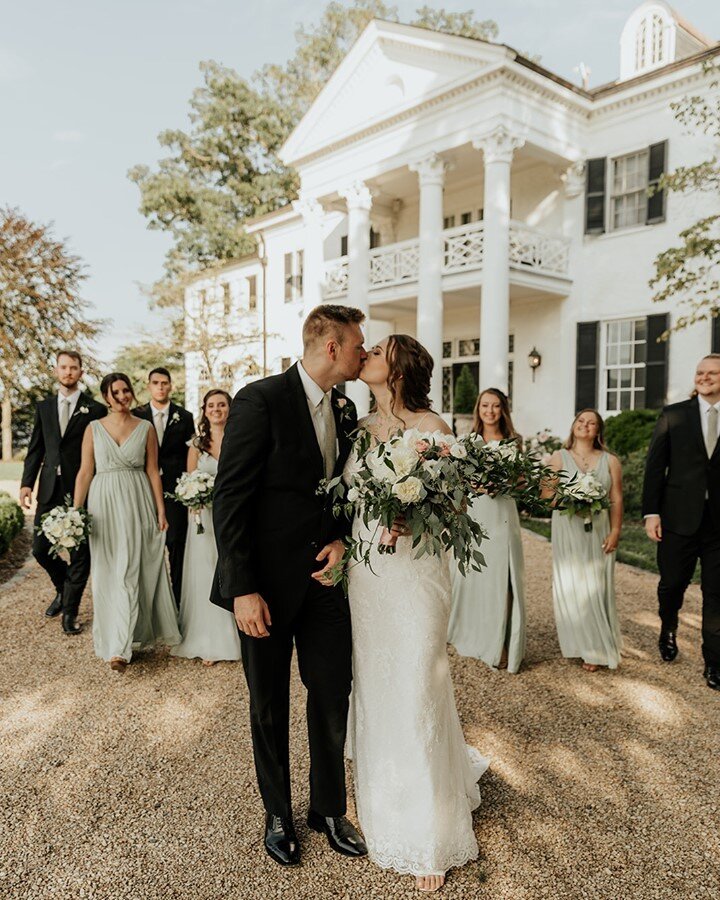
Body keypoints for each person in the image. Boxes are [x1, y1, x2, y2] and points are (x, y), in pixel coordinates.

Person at [210, 304, 368, 867]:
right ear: (331, 347)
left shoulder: (346, 409)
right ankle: (277, 813)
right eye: (357, 345)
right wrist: (241, 588)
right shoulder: (262, 399)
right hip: (266, 589)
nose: (362, 354)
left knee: (332, 694)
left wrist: (346, 540)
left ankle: (327, 809)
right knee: (269, 703)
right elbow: (229, 497)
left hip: (326, 582)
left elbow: (346, 492)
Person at [347, 335, 489, 894]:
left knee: (419, 683)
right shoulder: (357, 429)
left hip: (418, 570)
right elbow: (351, 497)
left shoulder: (432, 428)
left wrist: (416, 515)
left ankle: (430, 826)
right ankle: (381, 795)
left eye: (376, 350)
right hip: (369, 571)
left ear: (398, 367)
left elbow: (456, 506)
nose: (367, 356)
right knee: (377, 682)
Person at [73, 373, 180, 672]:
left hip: (137, 500)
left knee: (133, 568)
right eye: (115, 391)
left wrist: (160, 510)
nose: (122, 396)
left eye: (126, 390)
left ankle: (125, 643)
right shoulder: (93, 429)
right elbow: (84, 472)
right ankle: (115, 643)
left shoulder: (145, 428)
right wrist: (75, 512)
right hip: (103, 503)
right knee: (109, 570)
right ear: (106, 396)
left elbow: (152, 472)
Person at [642, 354, 720, 691]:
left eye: (712, 373)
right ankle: (668, 626)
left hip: (719, 526)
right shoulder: (674, 415)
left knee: (716, 595)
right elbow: (655, 468)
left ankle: (714, 662)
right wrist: (651, 513)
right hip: (677, 520)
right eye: (700, 372)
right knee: (672, 584)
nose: (705, 377)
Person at [19, 350, 106, 634]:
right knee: (40, 549)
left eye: (74, 368)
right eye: (63, 367)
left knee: (81, 554)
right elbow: (36, 449)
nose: (68, 372)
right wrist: (26, 484)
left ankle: (70, 612)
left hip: (81, 488)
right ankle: (63, 588)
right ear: (57, 370)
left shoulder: (94, 410)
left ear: (81, 372)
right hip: (49, 489)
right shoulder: (43, 407)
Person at [448, 388, 527, 674]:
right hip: (476, 512)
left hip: (503, 514)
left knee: (501, 577)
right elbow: (457, 480)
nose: (490, 411)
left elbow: (521, 482)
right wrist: (473, 486)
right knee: (472, 574)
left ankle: (500, 642)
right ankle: (470, 631)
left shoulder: (514, 443)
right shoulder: (468, 442)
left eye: (495, 406)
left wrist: (502, 484)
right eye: (485, 405)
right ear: (478, 409)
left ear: (503, 409)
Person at [547, 409, 623, 672]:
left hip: (599, 530)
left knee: (596, 587)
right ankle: (580, 644)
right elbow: (548, 496)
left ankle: (598, 646)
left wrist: (615, 532)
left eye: (592, 423)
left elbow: (616, 498)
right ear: (573, 425)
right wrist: (573, 498)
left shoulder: (610, 461)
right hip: (568, 529)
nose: (585, 425)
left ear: (598, 431)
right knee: (571, 586)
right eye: (581, 421)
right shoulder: (557, 458)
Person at [171, 389, 241, 665]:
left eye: (221, 404)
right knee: (205, 572)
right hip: (204, 518)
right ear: (204, 410)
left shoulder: (239, 438)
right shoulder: (196, 445)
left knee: (231, 568)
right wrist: (194, 499)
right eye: (211, 405)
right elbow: (189, 481)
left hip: (233, 514)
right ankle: (207, 638)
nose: (216, 409)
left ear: (229, 408)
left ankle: (235, 634)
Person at [135, 368, 195, 604]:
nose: (160, 387)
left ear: (171, 386)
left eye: (164, 383)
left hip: (175, 490)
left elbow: (191, 452)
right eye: (155, 383)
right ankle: (148, 601)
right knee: (144, 545)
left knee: (176, 543)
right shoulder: (136, 415)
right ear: (149, 386)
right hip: (142, 488)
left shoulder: (185, 416)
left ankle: (178, 600)